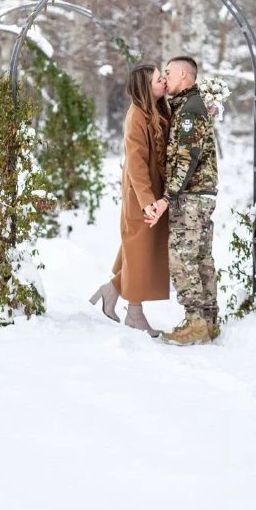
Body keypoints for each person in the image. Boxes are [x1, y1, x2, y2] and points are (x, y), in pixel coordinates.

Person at [90, 64, 170, 336]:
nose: (165, 82)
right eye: (160, 79)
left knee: (139, 250)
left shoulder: (158, 109)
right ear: (146, 87)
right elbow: (135, 163)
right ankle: (134, 315)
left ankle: (111, 291)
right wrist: (147, 200)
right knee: (139, 253)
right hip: (140, 195)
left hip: (154, 194)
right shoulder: (136, 116)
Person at [145, 56, 219, 345]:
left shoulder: (189, 111)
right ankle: (208, 321)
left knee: (182, 259)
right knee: (201, 258)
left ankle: (195, 323)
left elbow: (186, 160)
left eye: (169, 73)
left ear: (185, 74)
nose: (165, 78)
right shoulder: (190, 105)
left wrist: (167, 198)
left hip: (190, 196)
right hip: (201, 194)